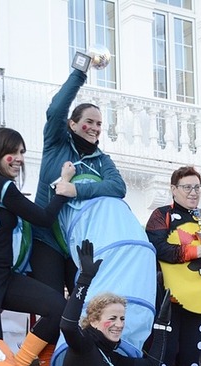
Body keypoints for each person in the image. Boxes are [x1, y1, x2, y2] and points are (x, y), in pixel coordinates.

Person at [0, 127, 74, 366]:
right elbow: (43, 217)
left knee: (59, 308)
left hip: (3, 275)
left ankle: (20, 364)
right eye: (12, 152)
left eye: (22, 151)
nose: (20, 158)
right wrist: (64, 185)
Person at [30, 65, 127, 296]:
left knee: (84, 310)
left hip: (81, 244)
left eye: (99, 124)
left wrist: (75, 189)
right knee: (52, 307)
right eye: (89, 122)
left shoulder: (102, 160)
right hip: (47, 239)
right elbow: (56, 110)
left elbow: (118, 187)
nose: (95, 128)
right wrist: (79, 73)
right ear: (72, 124)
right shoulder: (56, 143)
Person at [146, 166, 201, 366]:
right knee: (165, 353)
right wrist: (191, 251)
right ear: (173, 189)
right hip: (169, 300)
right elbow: (157, 248)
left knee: (192, 355)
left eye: (197, 187)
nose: (193, 192)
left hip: (199, 299)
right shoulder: (162, 215)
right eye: (187, 187)